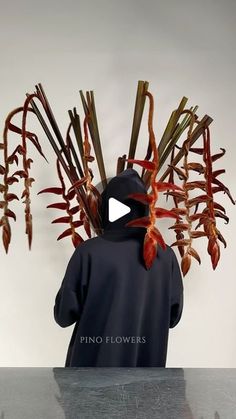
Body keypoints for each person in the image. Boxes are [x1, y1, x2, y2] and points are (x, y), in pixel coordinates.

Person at [54, 168, 184, 367]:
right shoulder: (165, 256)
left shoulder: (89, 252)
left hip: (89, 382)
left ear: (107, 206)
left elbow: (64, 315)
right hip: (146, 383)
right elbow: (173, 318)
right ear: (145, 207)